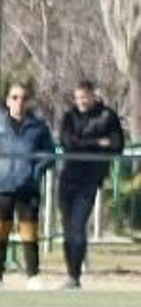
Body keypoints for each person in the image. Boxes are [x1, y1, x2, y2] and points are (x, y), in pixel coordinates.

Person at [55, 80, 126, 289]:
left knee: (78, 226)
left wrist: (83, 143)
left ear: (93, 96)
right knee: (68, 229)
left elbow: (116, 145)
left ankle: (74, 275)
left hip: (90, 179)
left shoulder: (107, 116)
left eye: (84, 97)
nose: (81, 101)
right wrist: (97, 143)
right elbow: (67, 143)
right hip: (68, 178)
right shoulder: (69, 116)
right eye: (78, 97)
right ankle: (71, 273)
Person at [0, 82, 54, 289]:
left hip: (27, 187)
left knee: (29, 232)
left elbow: (49, 154)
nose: (19, 102)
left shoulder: (39, 127)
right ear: (8, 101)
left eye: (23, 98)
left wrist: (35, 171)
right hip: (2, 187)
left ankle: (33, 276)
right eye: (14, 97)